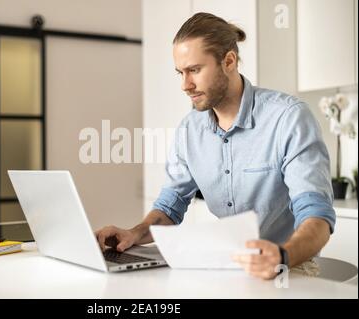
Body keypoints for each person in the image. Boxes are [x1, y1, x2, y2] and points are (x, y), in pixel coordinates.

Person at [96, 12, 335, 279]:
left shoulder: (288, 118)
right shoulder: (189, 129)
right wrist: (134, 233)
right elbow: (170, 205)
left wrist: (283, 256)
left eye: (195, 70)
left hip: (290, 266)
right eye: (180, 73)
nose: (186, 85)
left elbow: (317, 215)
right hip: (229, 264)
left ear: (229, 61)